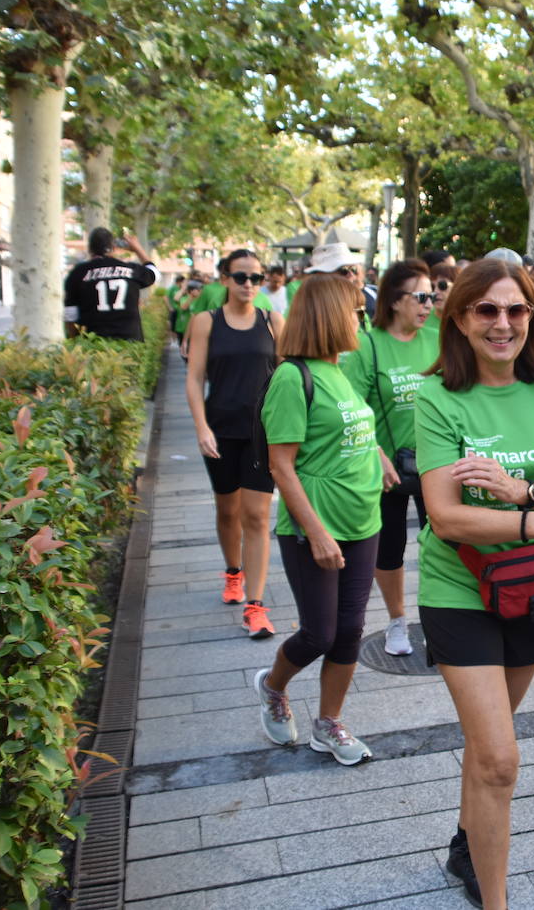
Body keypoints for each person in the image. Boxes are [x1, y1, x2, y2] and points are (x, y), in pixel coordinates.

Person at [413, 259, 534, 908]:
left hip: (531, 589)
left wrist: (518, 491)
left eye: (516, 310)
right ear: (461, 319)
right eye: (487, 311)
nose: (502, 323)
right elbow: (447, 516)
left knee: (485, 744)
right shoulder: (438, 397)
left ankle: (468, 844)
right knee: (500, 756)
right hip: (459, 588)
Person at [252, 273, 381, 767]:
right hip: (315, 528)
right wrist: (317, 531)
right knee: (318, 634)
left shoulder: (338, 371)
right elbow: (281, 465)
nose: (358, 317)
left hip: (362, 521)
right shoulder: (292, 377)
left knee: (349, 632)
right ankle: (272, 686)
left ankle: (328, 725)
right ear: (328, 315)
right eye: (352, 310)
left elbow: (352, 433)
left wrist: (380, 464)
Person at [184, 249, 283, 639]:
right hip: (221, 429)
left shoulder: (273, 320)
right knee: (228, 511)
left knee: (257, 516)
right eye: (241, 277)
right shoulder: (205, 322)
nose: (248, 285)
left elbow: (288, 372)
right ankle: (233, 572)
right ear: (224, 279)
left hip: (262, 434)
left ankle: (256, 607)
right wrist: (201, 427)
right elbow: (194, 380)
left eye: (256, 278)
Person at [343, 259, 437, 658]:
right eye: (421, 296)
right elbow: (350, 408)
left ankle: (439, 619)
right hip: (388, 467)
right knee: (391, 547)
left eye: (432, 295)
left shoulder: (438, 338)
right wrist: (376, 454)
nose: (429, 304)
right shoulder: (369, 345)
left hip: (438, 463)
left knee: (442, 543)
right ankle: (398, 621)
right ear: (395, 300)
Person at [63, 227, 157, 340]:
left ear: (90, 249)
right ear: (113, 247)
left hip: (93, 344)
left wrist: (73, 340)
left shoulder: (78, 273)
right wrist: (138, 249)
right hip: (129, 344)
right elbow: (155, 274)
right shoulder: (130, 270)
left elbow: (70, 314)